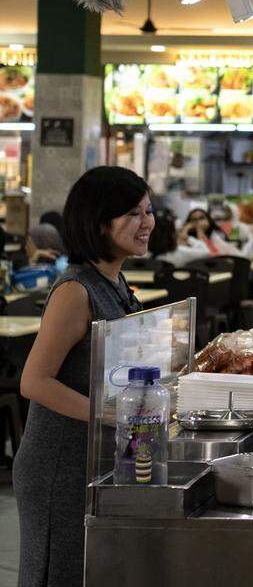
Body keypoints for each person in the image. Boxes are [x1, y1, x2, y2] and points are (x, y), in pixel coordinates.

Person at [16, 167, 154, 587]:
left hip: (95, 457)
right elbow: (35, 382)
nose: (148, 223)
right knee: (59, 573)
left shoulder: (113, 279)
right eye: (133, 213)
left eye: (149, 211)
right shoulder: (75, 291)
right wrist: (113, 414)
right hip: (60, 466)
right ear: (98, 222)